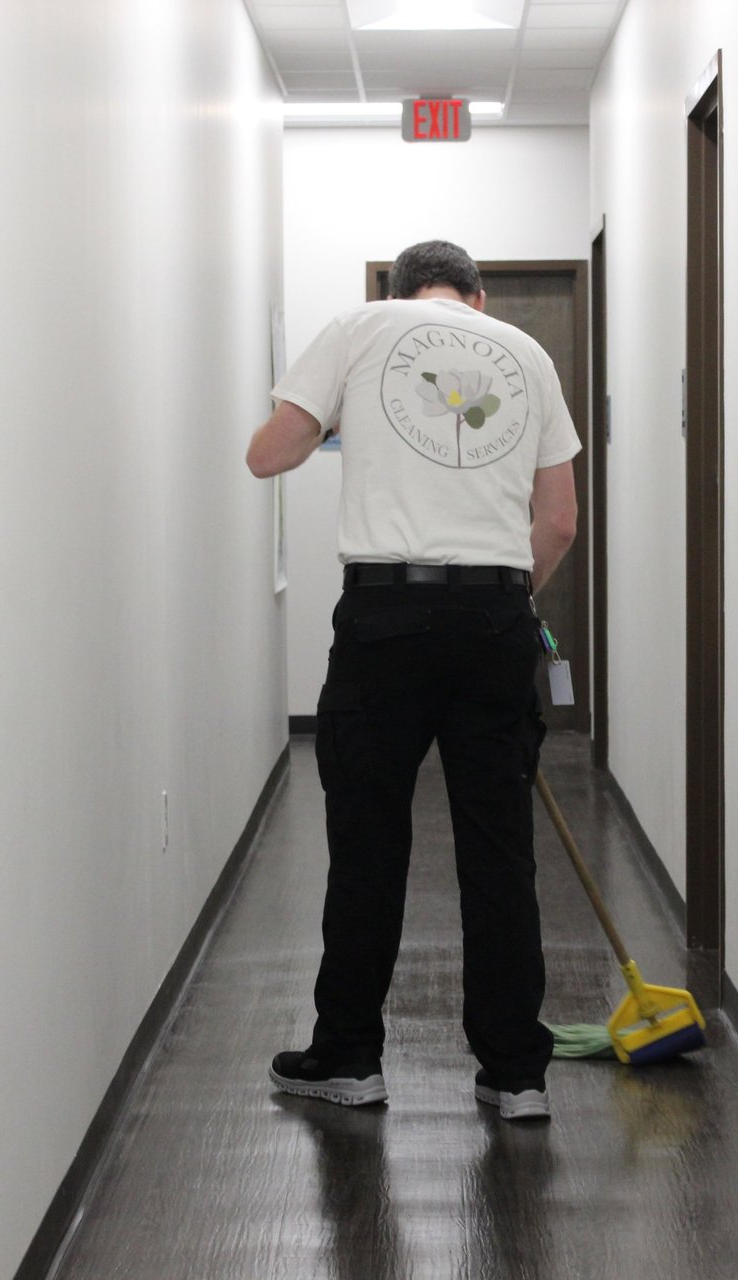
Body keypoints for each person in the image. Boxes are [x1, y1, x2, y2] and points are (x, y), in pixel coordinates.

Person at [246, 239, 580, 1121]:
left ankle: (350, 1058)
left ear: (400, 290)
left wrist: (328, 413)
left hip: (385, 620)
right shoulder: (529, 354)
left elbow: (268, 455)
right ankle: (516, 1076)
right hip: (496, 617)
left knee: (367, 846)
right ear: (476, 295)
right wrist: (505, 600)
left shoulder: (361, 327)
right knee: (500, 854)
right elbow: (560, 522)